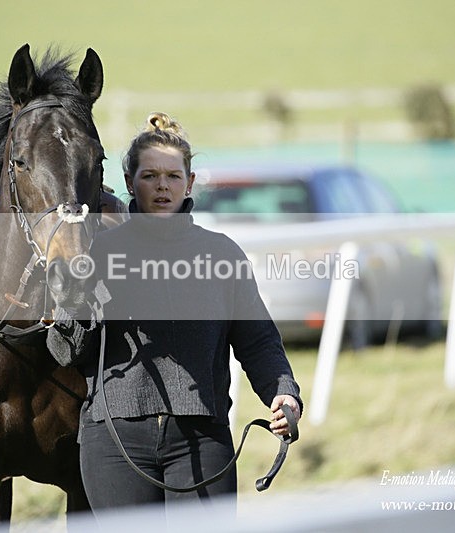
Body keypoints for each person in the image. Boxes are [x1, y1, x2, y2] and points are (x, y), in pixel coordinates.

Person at [46, 112, 302, 515]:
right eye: (150, 176)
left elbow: (259, 341)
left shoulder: (222, 254)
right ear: (130, 181)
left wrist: (282, 391)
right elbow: (66, 352)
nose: (162, 186)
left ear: (190, 182)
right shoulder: (96, 253)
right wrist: (73, 304)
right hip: (115, 442)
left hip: (202, 439)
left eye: (172, 176)